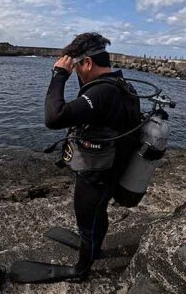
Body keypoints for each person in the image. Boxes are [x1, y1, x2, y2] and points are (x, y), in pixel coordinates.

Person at [44, 32, 141, 277]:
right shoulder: (120, 85)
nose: (75, 72)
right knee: (98, 213)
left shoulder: (102, 93)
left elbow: (54, 118)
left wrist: (59, 76)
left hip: (98, 176)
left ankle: (81, 269)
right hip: (112, 168)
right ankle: (94, 248)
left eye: (77, 67)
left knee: (87, 219)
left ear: (87, 63)